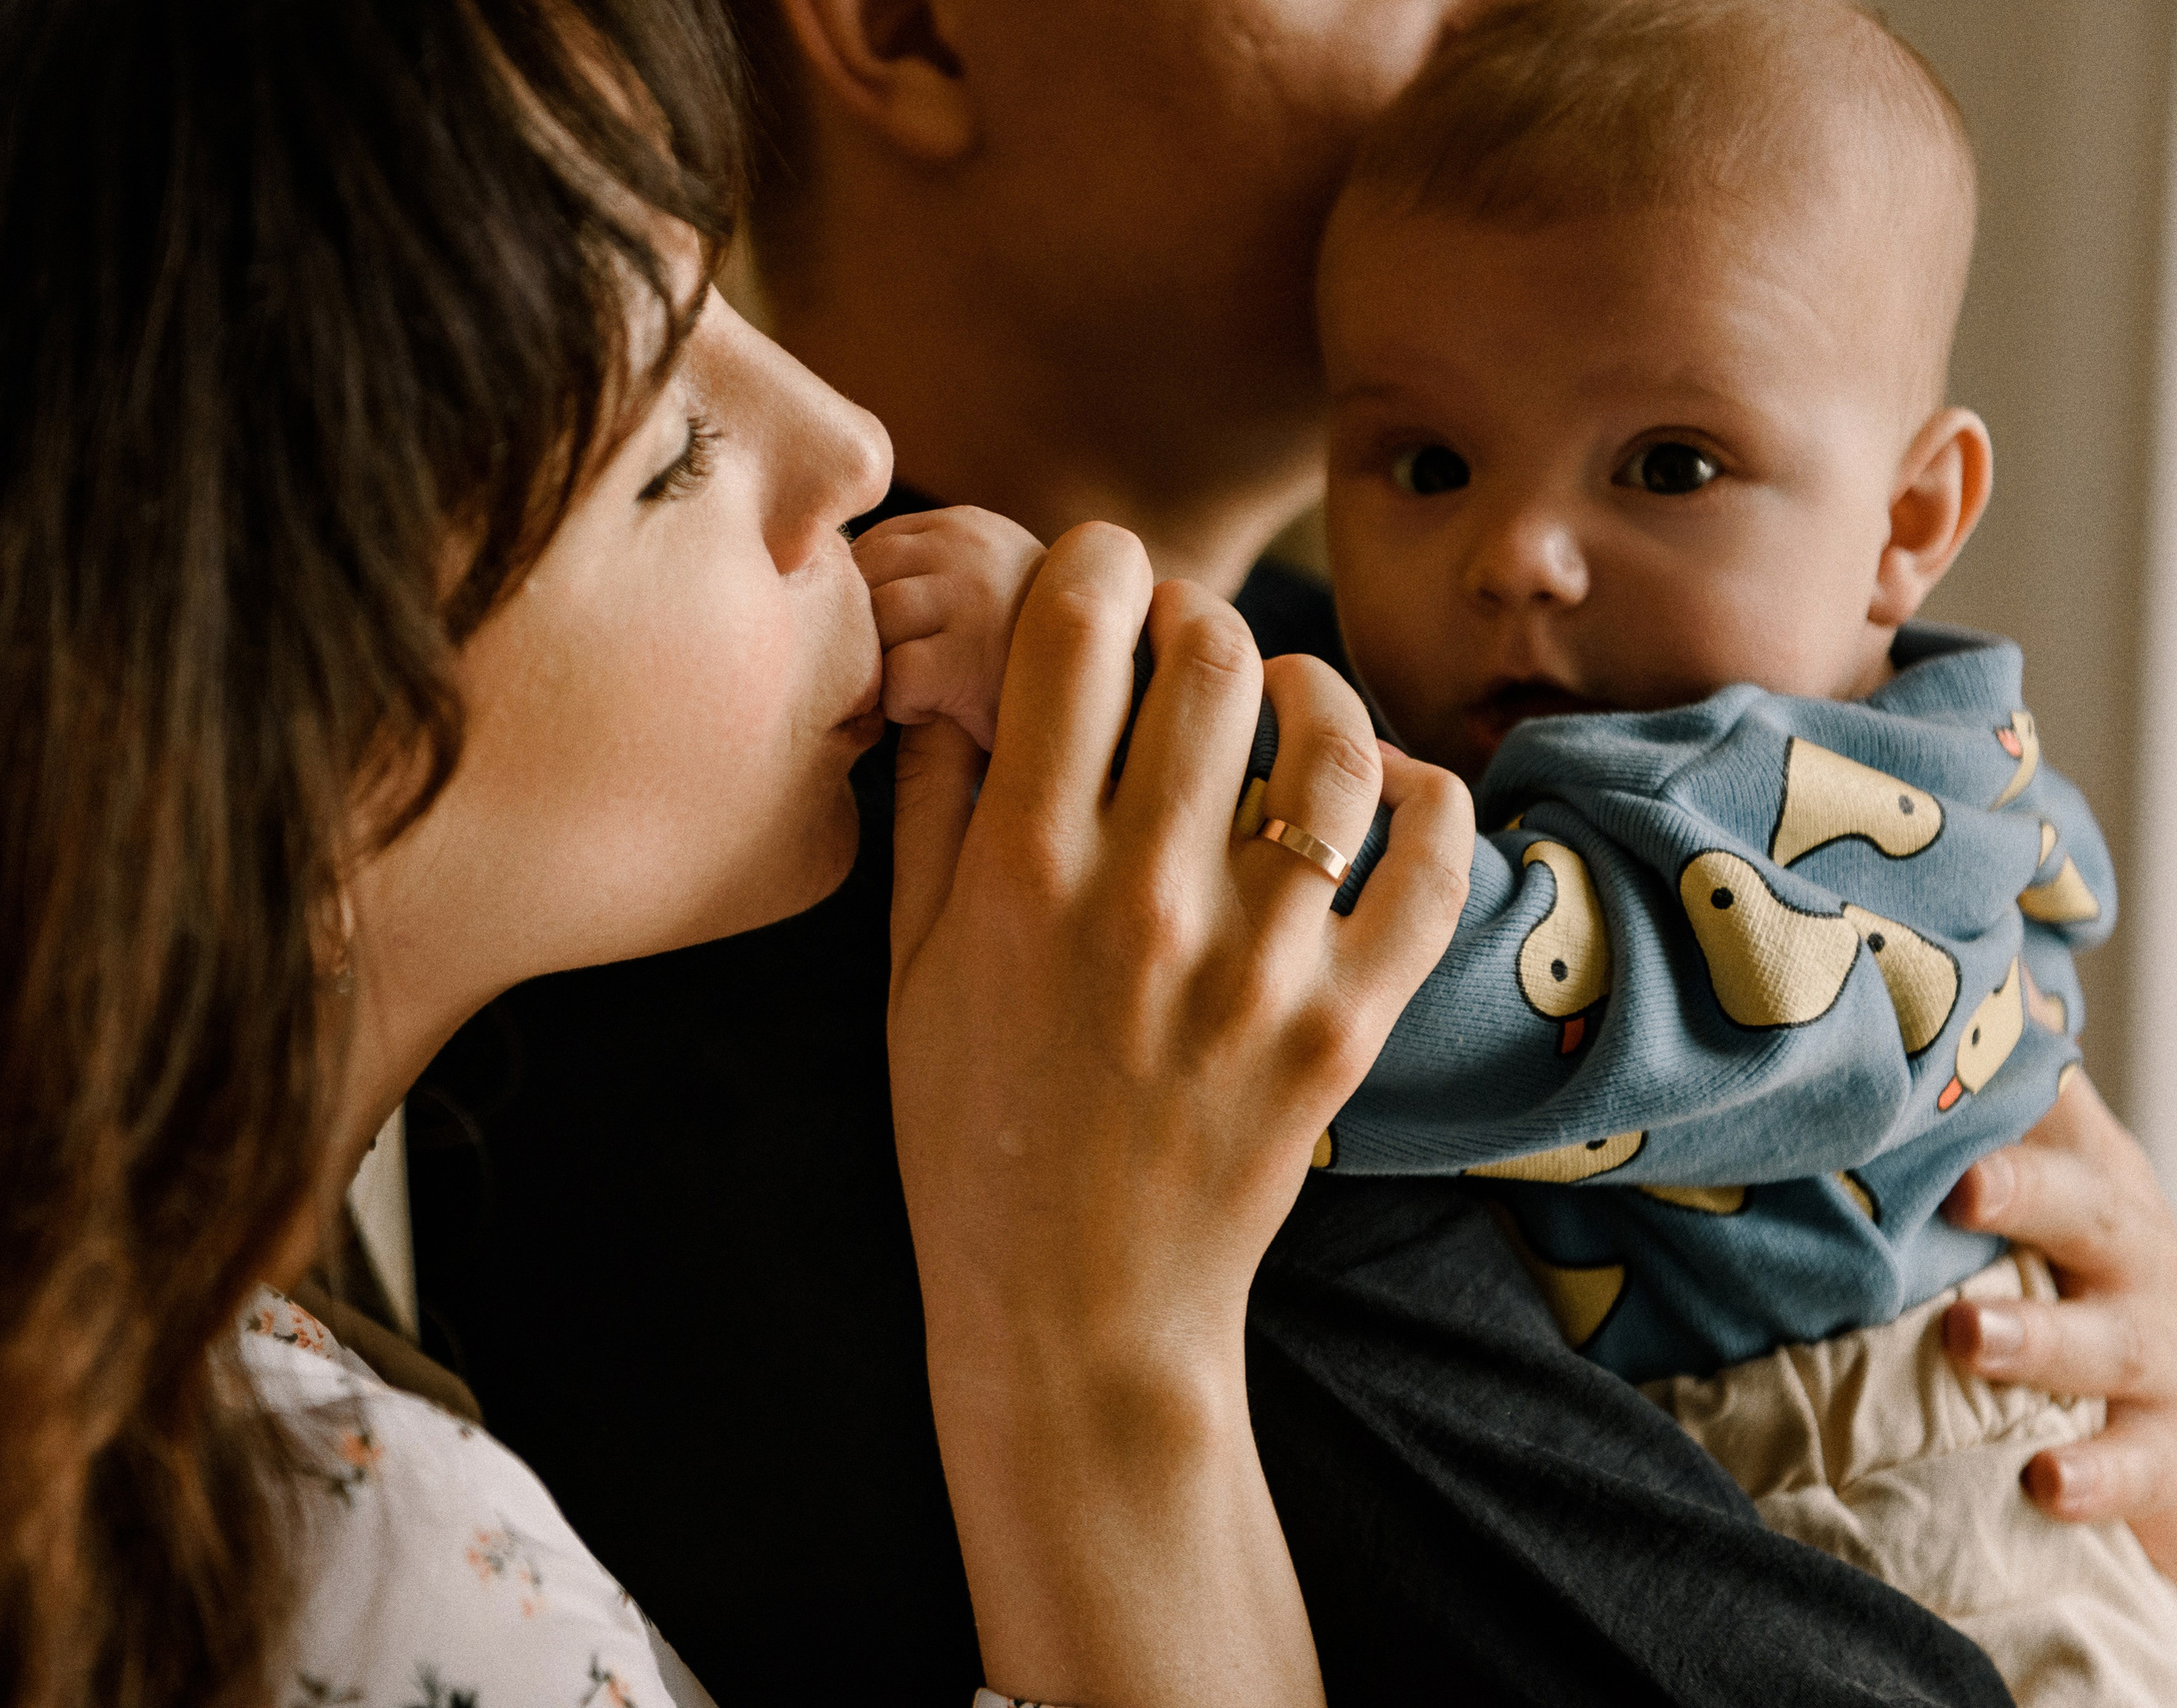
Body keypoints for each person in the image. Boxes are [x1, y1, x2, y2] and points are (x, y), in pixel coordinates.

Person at [0, 3, 1481, 1705]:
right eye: (667, 445)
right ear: (221, 739)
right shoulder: (346, 1578)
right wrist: (1105, 1355)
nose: (847, 443)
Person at [416, 1, 2177, 1702]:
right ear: (909, 23)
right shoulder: (838, 904)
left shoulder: (1433, 701)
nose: (1513, 19)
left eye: (1668, 462)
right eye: (1428, 460)